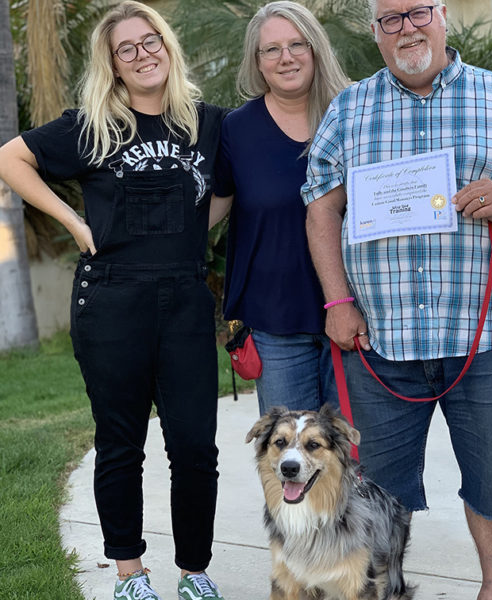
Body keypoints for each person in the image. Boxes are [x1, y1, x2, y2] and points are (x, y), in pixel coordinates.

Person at [301, 1, 492, 599]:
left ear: (443, 15)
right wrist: (336, 302)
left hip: (488, 337)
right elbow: (322, 206)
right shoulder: (349, 110)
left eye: (417, 12)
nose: (407, 28)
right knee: (373, 489)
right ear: (375, 32)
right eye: (390, 19)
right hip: (380, 336)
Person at [0, 2, 228, 599]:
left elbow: (224, 193)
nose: (143, 53)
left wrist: (189, 232)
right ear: (113, 65)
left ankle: (194, 572)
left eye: (151, 41)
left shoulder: (206, 123)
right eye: (127, 48)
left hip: (183, 297)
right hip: (110, 299)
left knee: (195, 447)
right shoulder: (93, 124)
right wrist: (75, 222)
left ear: (168, 47)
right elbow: (10, 158)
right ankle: (130, 573)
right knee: (121, 443)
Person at [210, 1, 349, 415]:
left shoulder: (356, 113)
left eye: (296, 44)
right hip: (274, 323)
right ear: (257, 61)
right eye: (271, 49)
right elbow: (213, 208)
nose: (285, 57)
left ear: (316, 48)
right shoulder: (237, 128)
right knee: (291, 464)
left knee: (356, 462)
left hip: (359, 316)